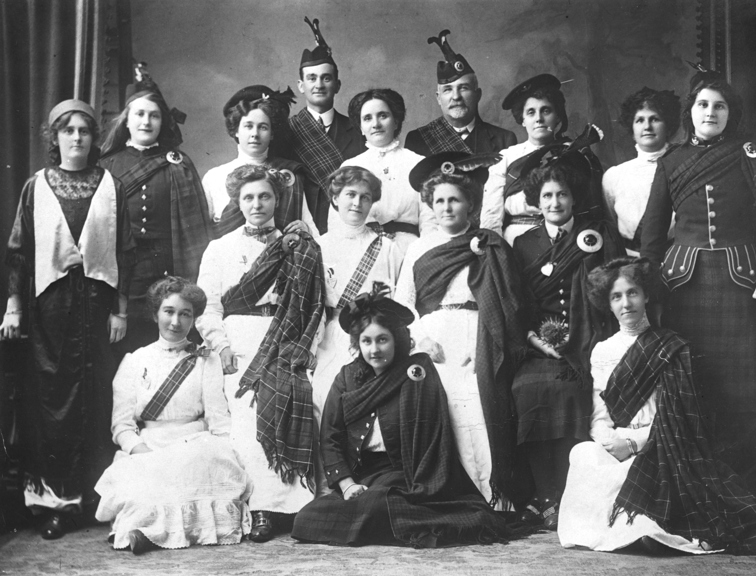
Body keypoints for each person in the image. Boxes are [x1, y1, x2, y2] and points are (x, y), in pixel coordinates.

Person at [558, 257, 756, 556]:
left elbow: (677, 417)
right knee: (582, 453)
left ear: (646, 296)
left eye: (632, 293)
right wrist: (609, 442)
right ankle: (611, 529)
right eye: (616, 296)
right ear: (607, 303)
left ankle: (644, 531)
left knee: (651, 475)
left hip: (662, 443)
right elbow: (599, 414)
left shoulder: (672, 347)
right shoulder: (602, 351)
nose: (626, 303)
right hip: (616, 443)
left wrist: (632, 444)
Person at [641, 66, 756, 496]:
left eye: (719, 106)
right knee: (692, 383)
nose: (711, 112)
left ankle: (742, 482)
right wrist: (649, 286)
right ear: (691, 112)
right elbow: (652, 234)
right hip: (682, 287)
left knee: (743, 384)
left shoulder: (749, 155)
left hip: (740, 284)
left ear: (731, 113)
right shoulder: (672, 161)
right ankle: (694, 482)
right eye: (703, 105)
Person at [0, 99, 134, 539]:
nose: (77, 137)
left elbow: (125, 250)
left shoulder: (109, 184)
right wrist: (15, 306)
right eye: (68, 130)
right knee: (52, 399)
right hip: (50, 309)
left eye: (85, 131)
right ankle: (54, 501)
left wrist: (121, 309)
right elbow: (19, 251)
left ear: (95, 139)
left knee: (94, 398)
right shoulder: (36, 186)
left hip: (96, 307)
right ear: (54, 138)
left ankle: (92, 498)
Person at [291, 285, 512, 547]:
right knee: (306, 518)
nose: (374, 349)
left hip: (407, 475)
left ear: (396, 338)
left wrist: (421, 485)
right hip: (364, 478)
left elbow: (434, 438)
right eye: (366, 341)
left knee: (376, 504)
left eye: (382, 339)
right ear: (357, 343)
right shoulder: (347, 379)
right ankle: (400, 524)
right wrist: (348, 485)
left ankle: (393, 520)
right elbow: (331, 436)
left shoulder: (417, 372)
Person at [394, 152, 529, 509]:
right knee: (442, 405)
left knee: (479, 407)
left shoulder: (489, 243)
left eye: (455, 199)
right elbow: (403, 304)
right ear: (429, 205)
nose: (446, 207)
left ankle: (494, 497)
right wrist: (420, 339)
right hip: (433, 333)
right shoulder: (419, 248)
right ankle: (451, 496)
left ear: (470, 204)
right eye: (439, 201)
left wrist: (484, 343)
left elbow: (502, 302)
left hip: (480, 333)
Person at [196, 164, 323, 542]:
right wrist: (222, 346)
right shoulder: (220, 248)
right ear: (237, 201)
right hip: (240, 340)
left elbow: (313, 305)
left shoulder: (298, 245)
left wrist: (306, 347)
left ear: (277, 200)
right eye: (248, 197)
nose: (257, 204)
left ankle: (298, 506)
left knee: (298, 398)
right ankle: (263, 508)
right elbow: (208, 307)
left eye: (265, 196)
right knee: (247, 418)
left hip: (285, 337)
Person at [510, 141, 624, 529]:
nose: (555, 202)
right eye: (547, 196)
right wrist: (534, 340)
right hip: (538, 347)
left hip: (587, 341)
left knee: (574, 390)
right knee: (527, 389)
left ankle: (569, 492)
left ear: (574, 198)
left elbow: (610, 292)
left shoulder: (597, 237)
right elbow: (519, 304)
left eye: (562, 194)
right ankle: (543, 493)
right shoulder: (524, 245)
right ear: (536, 202)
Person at [94, 277, 252, 554]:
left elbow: (218, 420)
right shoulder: (135, 361)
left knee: (199, 464)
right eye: (169, 311)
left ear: (194, 319)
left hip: (194, 445)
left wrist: (229, 453)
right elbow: (122, 426)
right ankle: (145, 532)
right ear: (155, 313)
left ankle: (166, 532)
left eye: (185, 314)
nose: (176, 322)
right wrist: (142, 452)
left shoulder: (207, 360)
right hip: (150, 446)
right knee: (146, 482)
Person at [100, 63, 213, 355]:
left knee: (169, 346)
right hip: (126, 271)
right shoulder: (107, 166)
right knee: (127, 347)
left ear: (163, 121)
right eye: (139, 114)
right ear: (127, 120)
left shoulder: (178, 162)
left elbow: (196, 228)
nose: (146, 122)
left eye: (154, 115)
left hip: (169, 268)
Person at [312, 166, 403, 438]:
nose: (357, 203)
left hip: (373, 335)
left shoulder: (387, 247)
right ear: (335, 198)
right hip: (330, 334)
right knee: (323, 396)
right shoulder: (319, 246)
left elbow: (398, 298)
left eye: (365, 197)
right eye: (350, 194)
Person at [481, 74, 605, 243]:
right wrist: (495, 249)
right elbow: (491, 215)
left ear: (558, 117)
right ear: (522, 120)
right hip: (515, 241)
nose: (539, 118)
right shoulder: (506, 158)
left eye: (546, 110)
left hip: (568, 239)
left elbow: (590, 206)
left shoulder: (575, 152)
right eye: (531, 112)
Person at [203, 85, 318, 239]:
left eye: (263, 127)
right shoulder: (214, 177)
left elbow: (312, 231)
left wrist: (306, 229)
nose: (255, 134)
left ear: (272, 134)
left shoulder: (287, 175)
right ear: (236, 130)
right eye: (248, 126)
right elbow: (203, 235)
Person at [327, 88, 435, 253]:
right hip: (360, 249)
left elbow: (430, 221)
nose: (376, 124)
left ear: (396, 121)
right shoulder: (350, 166)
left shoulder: (418, 163)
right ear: (361, 127)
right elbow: (337, 222)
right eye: (367, 118)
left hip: (409, 250)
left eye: (383, 116)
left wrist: (423, 255)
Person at [288, 17, 366, 233]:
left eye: (326, 78)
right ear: (301, 86)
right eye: (312, 78)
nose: (319, 85)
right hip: (304, 229)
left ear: (337, 85)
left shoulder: (359, 130)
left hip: (350, 229)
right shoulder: (287, 132)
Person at [404, 29, 517, 157]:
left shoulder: (504, 140)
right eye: (447, 90)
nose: (456, 97)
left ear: (477, 94)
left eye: (463, 88)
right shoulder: (418, 140)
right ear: (438, 98)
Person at [602, 87, 680, 256]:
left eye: (655, 119)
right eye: (639, 120)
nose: (647, 126)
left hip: (674, 259)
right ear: (632, 128)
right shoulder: (614, 176)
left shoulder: (682, 169)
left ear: (668, 125)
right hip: (628, 260)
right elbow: (610, 224)